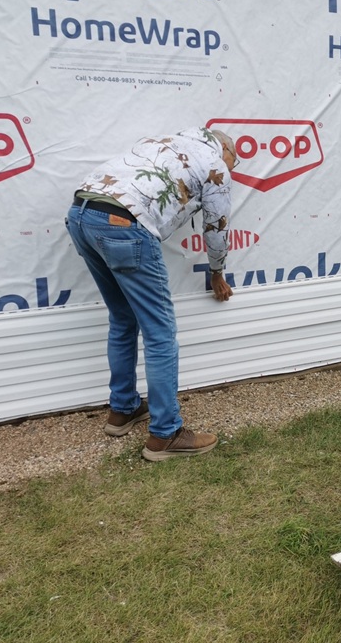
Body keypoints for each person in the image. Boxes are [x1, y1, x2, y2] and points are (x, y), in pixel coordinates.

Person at [65, 126, 237, 461]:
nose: (233, 171)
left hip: (81, 213)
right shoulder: (216, 165)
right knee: (160, 333)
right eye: (235, 163)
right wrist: (217, 272)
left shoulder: (167, 141)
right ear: (226, 150)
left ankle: (123, 409)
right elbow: (216, 227)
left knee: (123, 318)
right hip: (123, 224)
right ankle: (166, 434)